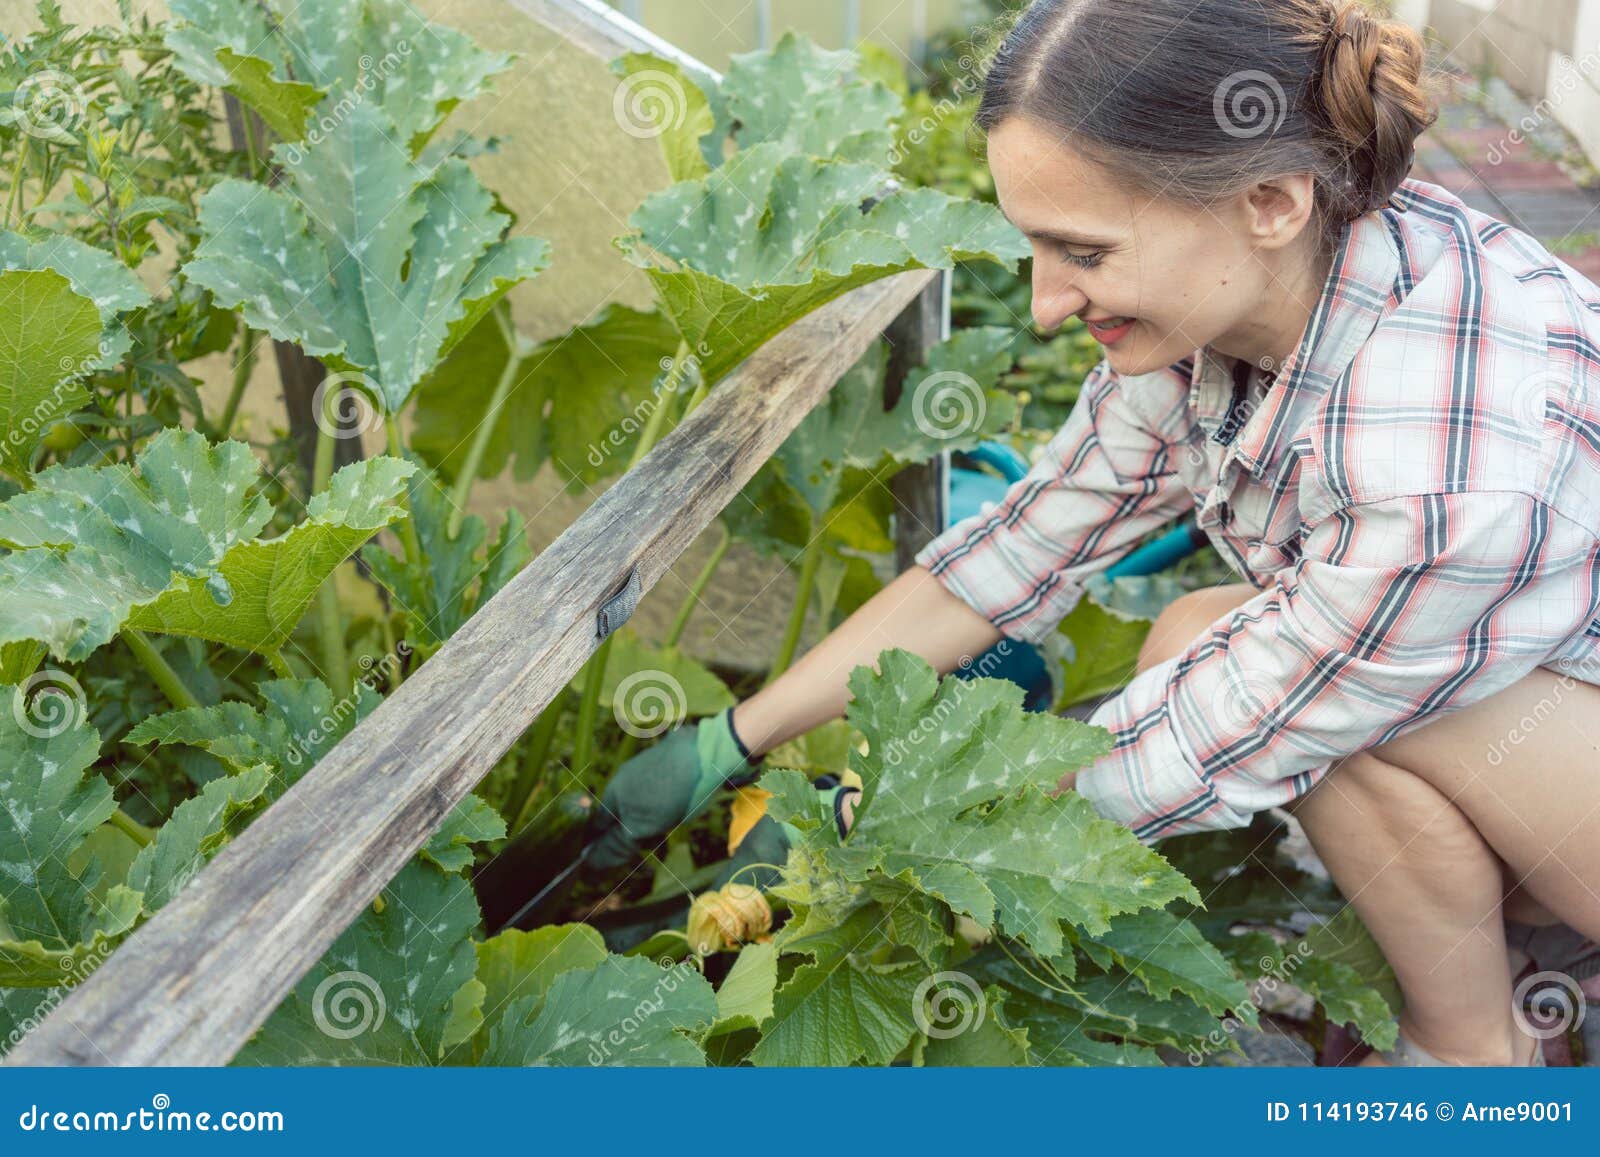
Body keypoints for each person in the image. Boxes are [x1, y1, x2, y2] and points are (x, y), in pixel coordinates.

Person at [590, 0, 1600, 1066]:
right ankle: (1493, 971)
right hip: (1543, 720)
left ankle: (1476, 1062)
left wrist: (872, 819)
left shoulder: (1438, 466)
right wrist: (736, 736)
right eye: (1033, 243)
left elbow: (1212, 728)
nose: (1041, 305)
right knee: (1206, 634)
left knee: (1241, 673)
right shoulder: (1255, 293)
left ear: (1267, 199)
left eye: (1082, 250)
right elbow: (1017, 548)